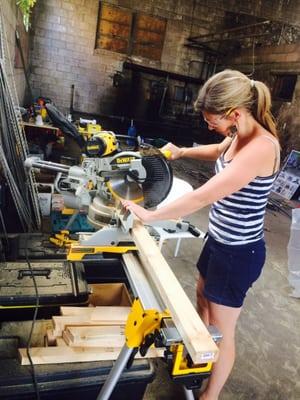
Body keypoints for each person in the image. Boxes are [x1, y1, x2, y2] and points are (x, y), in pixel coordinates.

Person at [121, 69, 280, 400]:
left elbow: (203, 196)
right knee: (201, 296)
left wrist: (151, 216)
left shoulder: (262, 147)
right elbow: (218, 151)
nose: (210, 127)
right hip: (219, 241)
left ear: (234, 113)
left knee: (224, 330)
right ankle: (196, 356)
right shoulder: (237, 133)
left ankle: (210, 395)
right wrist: (182, 152)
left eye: (213, 121)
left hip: (239, 254)